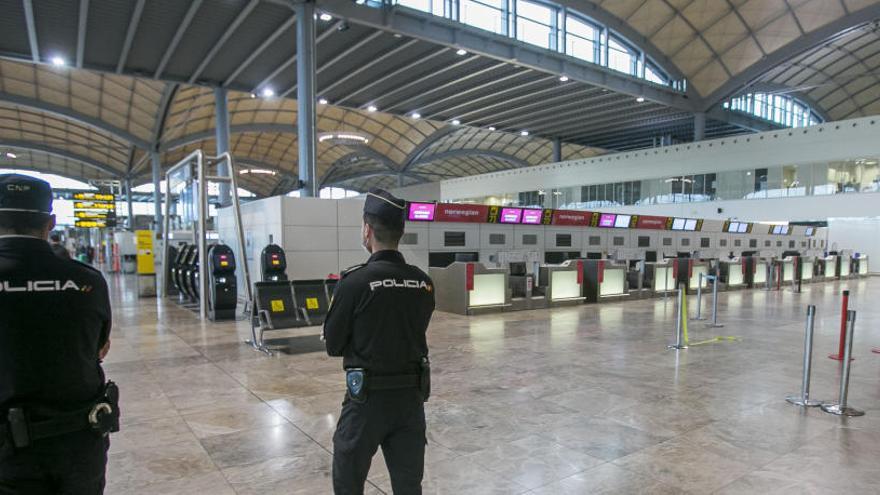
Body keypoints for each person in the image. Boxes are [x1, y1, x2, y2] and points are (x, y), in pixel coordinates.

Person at [0, 174, 118, 494]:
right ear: (50, 222)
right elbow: (99, 348)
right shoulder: (87, 281)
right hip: (80, 440)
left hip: (8, 452)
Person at [324, 189, 435, 494]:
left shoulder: (354, 283)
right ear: (401, 232)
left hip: (366, 403)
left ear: (367, 231)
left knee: (348, 480)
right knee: (408, 485)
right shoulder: (423, 282)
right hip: (410, 401)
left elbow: (333, 345)